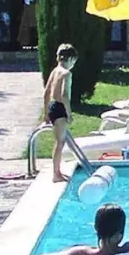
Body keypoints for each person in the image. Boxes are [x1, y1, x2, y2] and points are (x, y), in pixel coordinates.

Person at [42, 43, 87, 183]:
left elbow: (46, 92)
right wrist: (69, 114)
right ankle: (56, 174)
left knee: (59, 142)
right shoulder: (66, 74)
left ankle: (57, 172)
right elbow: (64, 95)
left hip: (52, 106)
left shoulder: (55, 71)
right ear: (71, 59)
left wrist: (46, 113)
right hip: (60, 108)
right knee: (60, 143)